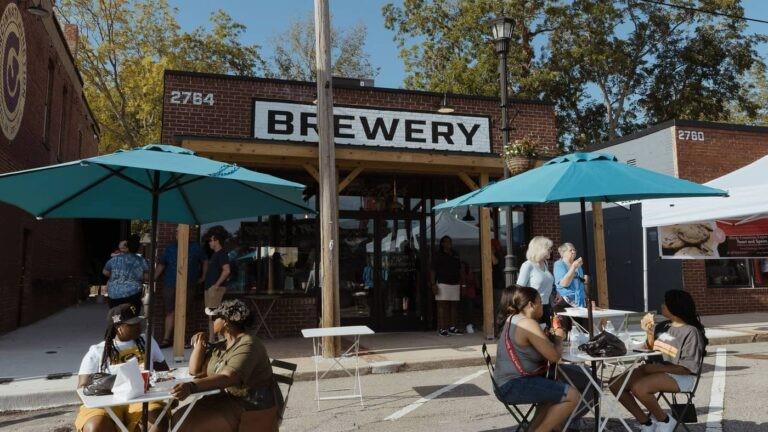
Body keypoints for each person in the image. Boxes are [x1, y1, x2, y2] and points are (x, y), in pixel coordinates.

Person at [170, 299, 278, 432]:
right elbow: (194, 371)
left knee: (187, 425)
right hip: (224, 400)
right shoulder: (223, 344)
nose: (211, 321)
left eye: (215, 318)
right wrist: (199, 345)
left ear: (226, 321)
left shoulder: (248, 344)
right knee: (178, 418)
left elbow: (229, 377)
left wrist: (192, 387)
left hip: (249, 407)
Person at [610, 289, 708, 432]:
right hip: (652, 370)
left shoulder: (691, 332)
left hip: (680, 376)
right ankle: (646, 423)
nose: (662, 305)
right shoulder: (663, 325)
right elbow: (650, 347)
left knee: (639, 388)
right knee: (615, 384)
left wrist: (657, 368)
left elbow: (688, 368)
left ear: (675, 307)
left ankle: (666, 420)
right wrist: (649, 331)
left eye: (666, 303)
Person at [493, 285, 583, 432]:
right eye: (540, 302)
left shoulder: (513, 319)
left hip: (504, 384)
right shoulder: (528, 323)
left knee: (552, 391)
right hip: (513, 385)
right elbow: (554, 357)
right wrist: (559, 337)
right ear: (530, 305)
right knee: (572, 396)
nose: (542, 306)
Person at [75, 304, 169, 432]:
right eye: (132, 324)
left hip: (141, 398)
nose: (138, 327)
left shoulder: (147, 341)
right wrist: (109, 385)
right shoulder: (97, 351)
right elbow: (82, 388)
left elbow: (164, 371)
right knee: (95, 427)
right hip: (108, 401)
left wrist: (168, 391)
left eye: (138, 322)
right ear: (118, 327)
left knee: (156, 423)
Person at [155, 227, 208, 348]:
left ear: (187, 234)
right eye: (177, 232)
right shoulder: (170, 248)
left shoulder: (195, 247)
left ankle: (182, 340)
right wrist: (153, 277)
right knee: (170, 311)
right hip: (170, 285)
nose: (178, 234)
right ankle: (166, 339)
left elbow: (205, 260)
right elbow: (162, 265)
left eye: (180, 232)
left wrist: (203, 276)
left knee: (184, 312)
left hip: (188, 285)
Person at [103, 234, 148, 311]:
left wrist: (116, 275)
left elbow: (105, 272)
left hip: (114, 296)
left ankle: (116, 320)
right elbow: (146, 277)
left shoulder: (114, 259)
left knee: (116, 318)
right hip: (133, 295)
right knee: (132, 317)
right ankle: (129, 319)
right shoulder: (142, 261)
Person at [517, 236, 555, 325]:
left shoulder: (545, 264)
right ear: (540, 249)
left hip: (546, 306)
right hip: (533, 308)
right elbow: (519, 289)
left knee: (546, 334)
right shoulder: (528, 265)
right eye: (548, 249)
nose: (551, 251)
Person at [430, 235, 463, 336]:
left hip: (455, 283)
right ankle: (442, 328)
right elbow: (433, 270)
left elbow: (459, 269)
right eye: (447, 242)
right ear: (442, 244)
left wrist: (462, 282)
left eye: (450, 242)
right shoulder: (438, 255)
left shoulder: (455, 254)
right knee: (442, 306)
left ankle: (452, 327)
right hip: (442, 283)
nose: (449, 244)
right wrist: (433, 284)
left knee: (454, 306)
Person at [204, 226, 231, 340]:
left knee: (215, 316)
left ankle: (220, 340)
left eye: (210, 240)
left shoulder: (221, 254)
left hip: (215, 289)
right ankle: (212, 339)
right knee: (211, 315)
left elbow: (227, 270)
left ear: (216, 240)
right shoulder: (215, 254)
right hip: (211, 289)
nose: (209, 243)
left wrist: (216, 285)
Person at [553, 242, 587, 308]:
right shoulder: (559, 264)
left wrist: (586, 297)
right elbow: (564, 284)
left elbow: (581, 283)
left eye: (574, 250)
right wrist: (573, 267)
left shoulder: (578, 266)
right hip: (566, 300)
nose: (573, 252)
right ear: (563, 253)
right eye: (570, 250)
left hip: (580, 300)